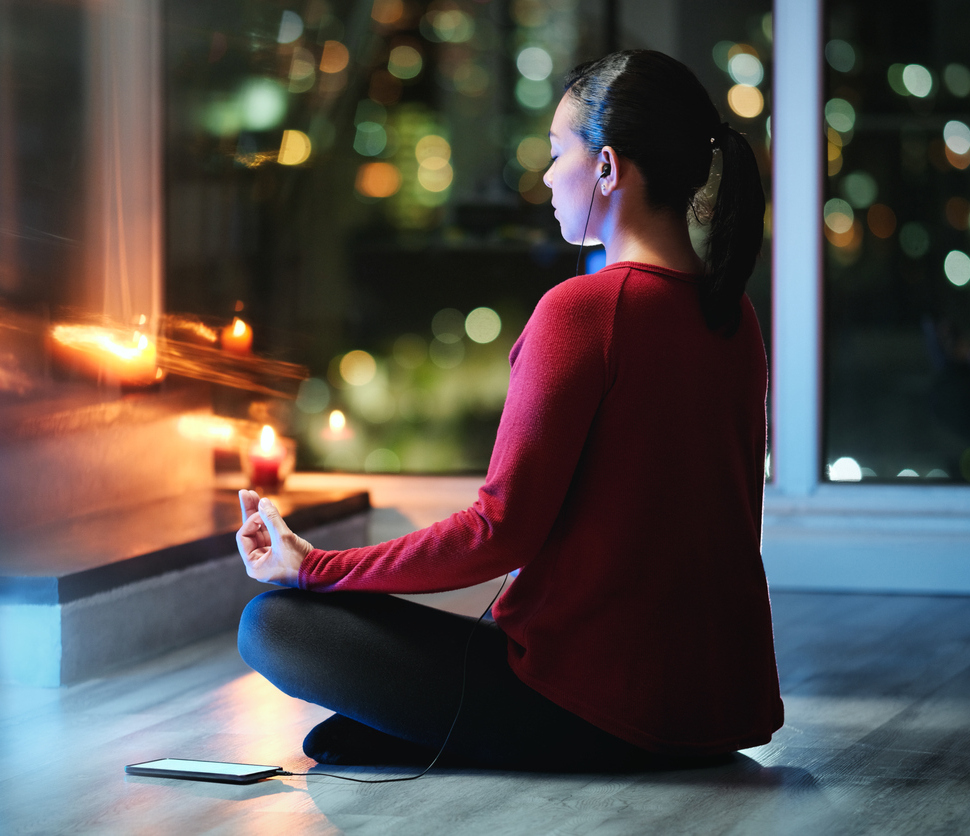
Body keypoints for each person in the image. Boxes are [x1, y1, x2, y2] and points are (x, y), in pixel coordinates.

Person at [233, 49, 784, 772]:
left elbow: (500, 532)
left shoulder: (585, 311)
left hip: (595, 706)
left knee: (272, 625)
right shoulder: (731, 313)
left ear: (610, 168)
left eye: (558, 153)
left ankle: (466, 734)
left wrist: (314, 566)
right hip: (716, 711)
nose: (548, 177)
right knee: (356, 712)